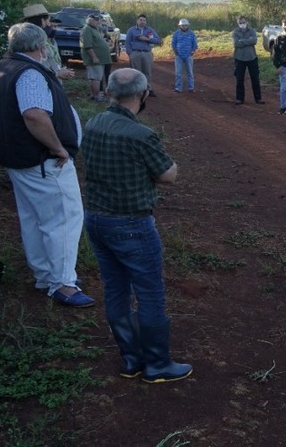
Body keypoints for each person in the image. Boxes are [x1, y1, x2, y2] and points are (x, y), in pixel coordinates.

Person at [81, 68, 192, 384]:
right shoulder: (141, 135)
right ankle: (157, 363)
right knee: (150, 293)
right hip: (131, 223)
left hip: (96, 220)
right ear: (143, 96)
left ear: (111, 91)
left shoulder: (93, 123)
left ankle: (130, 358)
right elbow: (168, 175)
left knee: (115, 289)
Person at [0, 23, 93, 307]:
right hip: (43, 161)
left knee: (34, 218)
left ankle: (46, 275)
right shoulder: (29, 73)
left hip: (18, 159)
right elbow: (33, 115)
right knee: (63, 220)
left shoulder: (0, 70)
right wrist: (57, 148)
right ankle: (63, 284)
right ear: (40, 47)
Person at [21, 4, 74, 81]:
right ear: (42, 21)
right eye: (48, 21)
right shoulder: (34, 43)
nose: (50, 25)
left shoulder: (43, 40)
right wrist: (58, 73)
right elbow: (37, 69)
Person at [125, 15, 162, 96]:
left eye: (144, 20)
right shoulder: (131, 30)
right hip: (135, 53)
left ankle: (148, 89)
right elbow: (127, 43)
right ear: (137, 21)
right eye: (141, 20)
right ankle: (136, 90)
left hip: (147, 53)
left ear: (146, 22)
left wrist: (147, 39)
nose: (142, 22)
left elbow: (158, 40)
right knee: (135, 72)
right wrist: (130, 53)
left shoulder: (149, 30)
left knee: (147, 71)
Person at [79, 13, 112, 102]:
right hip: (94, 59)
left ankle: (94, 96)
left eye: (99, 20)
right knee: (96, 77)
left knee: (94, 77)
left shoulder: (93, 29)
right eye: (96, 20)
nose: (98, 22)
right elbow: (87, 45)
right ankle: (97, 96)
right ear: (90, 20)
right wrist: (94, 57)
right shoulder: (87, 29)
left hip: (100, 59)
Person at [232, 16, 264, 105]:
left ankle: (258, 98)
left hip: (252, 57)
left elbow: (254, 41)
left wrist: (242, 41)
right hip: (239, 58)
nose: (242, 24)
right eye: (240, 23)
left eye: (243, 22)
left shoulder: (252, 31)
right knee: (239, 79)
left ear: (247, 22)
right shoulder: (235, 32)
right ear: (238, 23)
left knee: (255, 79)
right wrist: (247, 41)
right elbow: (236, 44)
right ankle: (239, 99)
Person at [170, 18, 198, 92]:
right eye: (183, 25)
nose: (184, 27)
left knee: (190, 73)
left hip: (188, 56)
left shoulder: (192, 34)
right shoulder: (176, 33)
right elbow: (173, 43)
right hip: (179, 56)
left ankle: (191, 87)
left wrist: (192, 52)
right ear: (180, 26)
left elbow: (195, 44)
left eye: (185, 25)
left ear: (188, 26)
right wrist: (176, 52)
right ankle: (178, 88)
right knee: (178, 73)